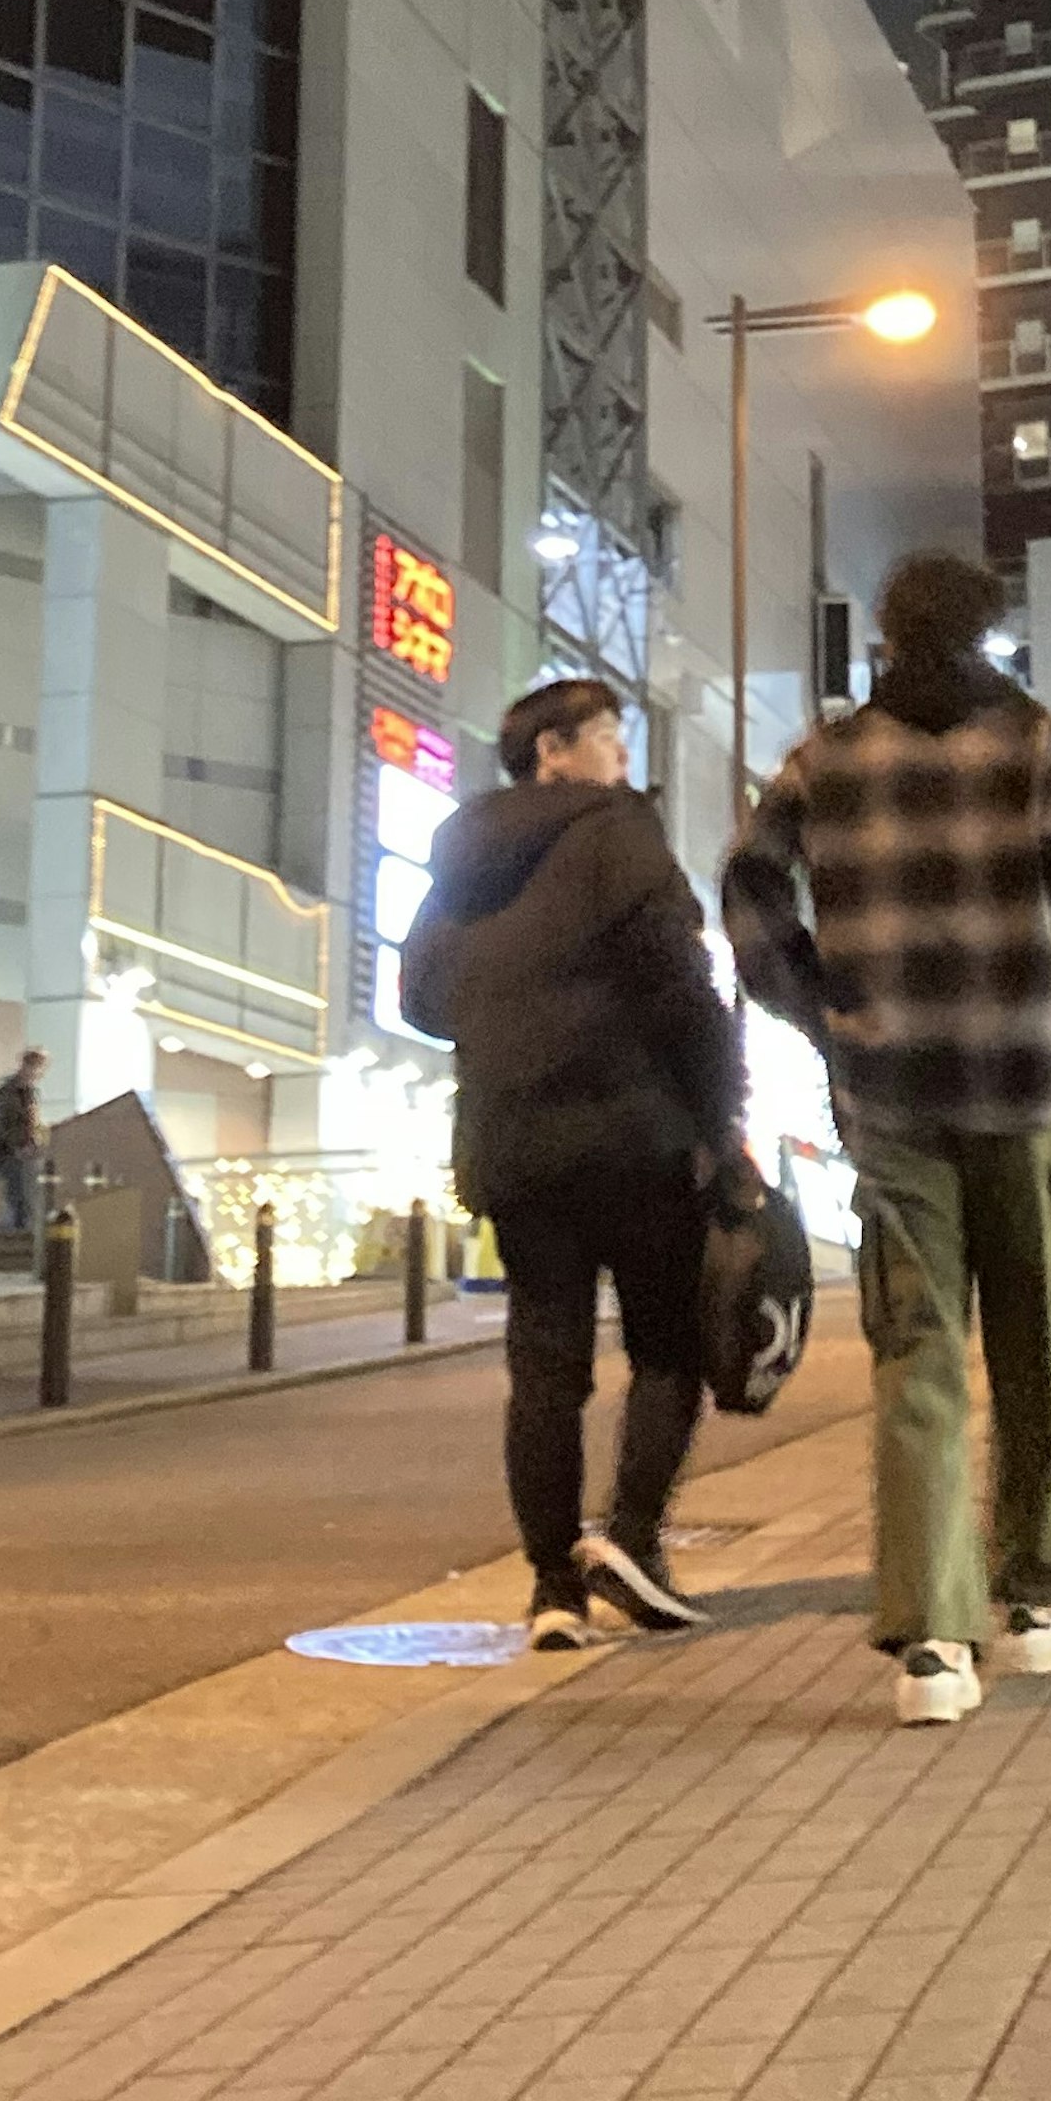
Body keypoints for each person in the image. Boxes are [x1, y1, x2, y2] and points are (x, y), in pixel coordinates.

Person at [726, 547, 1051, 1728]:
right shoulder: (1035, 741)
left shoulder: (826, 756)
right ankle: (1043, 1598)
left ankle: (935, 1646)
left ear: (886, 633)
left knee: (918, 1352)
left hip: (891, 1090)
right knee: (1035, 1335)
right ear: (987, 630)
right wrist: (1044, 980)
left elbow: (748, 891)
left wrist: (820, 1003)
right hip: (1029, 1076)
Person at [398, 674, 743, 1649]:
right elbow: (682, 987)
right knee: (667, 1345)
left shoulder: (461, 859)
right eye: (608, 738)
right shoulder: (617, 831)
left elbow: (420, 997)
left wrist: (505, 1025)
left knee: (545, 1364)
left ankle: (554, 1584)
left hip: (515, 1144)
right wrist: (722, 1117)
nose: (621, 757)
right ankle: (632, 1539)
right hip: (633, 1133)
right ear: (552, 749)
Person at [0, 1048, 49, 1242]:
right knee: (18, 1194)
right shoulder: (10, 1091)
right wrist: (20, 1144)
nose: (35, 1072)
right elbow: (6, 1123)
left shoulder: (29, 1092)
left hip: (22, 1151)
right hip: (8, 1153)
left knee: (25, 1193)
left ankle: (20, 1227)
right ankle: (14, 1230)